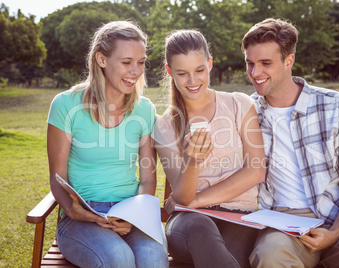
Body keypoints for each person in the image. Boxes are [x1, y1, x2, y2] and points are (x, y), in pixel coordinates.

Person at [241, 18, 339, 267]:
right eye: (250, 63)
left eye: (265, 63)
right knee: (270, 255)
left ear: (288, 61)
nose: (255, 73)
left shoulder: (338, 106)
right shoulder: (244, 111)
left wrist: (336, 232)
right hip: (283, 222)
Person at [47, 21, 168, 268]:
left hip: (130, 211)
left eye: (141, 62)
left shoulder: (144, 110)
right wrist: (73, 210)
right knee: (118, 258)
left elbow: (147, 179)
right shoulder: (65, 105)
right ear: (101, 60)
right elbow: (57, 178)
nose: (136, 71)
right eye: (126, 62)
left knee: (152, 261)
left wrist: (134, 218)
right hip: (82, 216)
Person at [152, 29, 266, 268]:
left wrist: (197, 201)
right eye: (182, 74)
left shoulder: (239, 105)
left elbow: (255, 171)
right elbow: (182, 197)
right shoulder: (164, 126)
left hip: (238, 217)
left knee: (223, 254)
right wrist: (191, 161)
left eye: (199, 70)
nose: (193, 81)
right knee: (201, 227)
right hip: (188, 223)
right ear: (169, 71)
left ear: (210, 64)